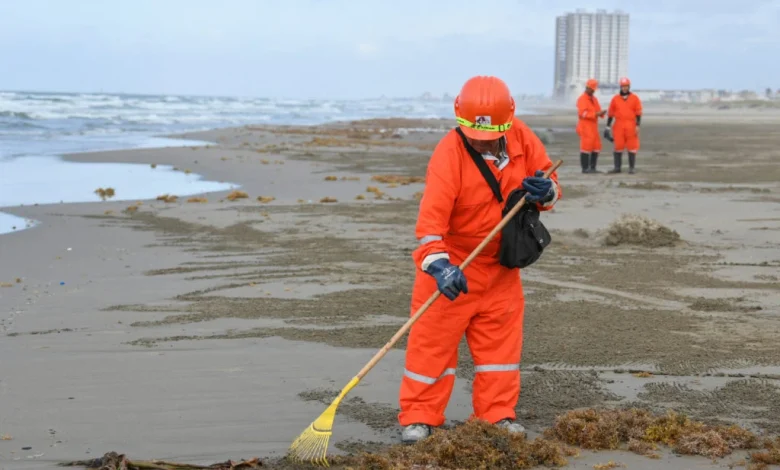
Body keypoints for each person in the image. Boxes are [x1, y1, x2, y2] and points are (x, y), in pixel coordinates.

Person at [397, 75, 562, 444]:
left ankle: (496, 415)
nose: (481, 141)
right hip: (453, 265)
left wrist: (547, 191)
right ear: (460, 119)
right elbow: (429, 228)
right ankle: (420, 417)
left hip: (501, 267)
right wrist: (439, 266)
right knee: (431, 349)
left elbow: (551, 184)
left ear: (508, 121)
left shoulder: (522, 136)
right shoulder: (448, 154)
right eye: (475, 135)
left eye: (490, 136)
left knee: (500, 352)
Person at [604, 77, 643, 174]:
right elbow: (611, 114)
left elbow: (638, 112)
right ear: (620, 87)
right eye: (623, 86)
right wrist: (607, 127)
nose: (624, 88)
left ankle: (632, 168)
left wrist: (637, 125)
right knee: (618, 146)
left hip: (631, 124)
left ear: (629, 87)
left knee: (632, 146)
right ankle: (617, 168)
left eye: (626, 86)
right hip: (619, 125)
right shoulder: (615, 99)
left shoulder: (635, 98)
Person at [576, 78, 607, 173]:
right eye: (592, 89)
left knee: (596, 146)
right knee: (586, 147)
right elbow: (582, 114)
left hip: (593, 126)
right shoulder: (582, 99)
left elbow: (598, 110)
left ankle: (593, 168)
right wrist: (595, 114)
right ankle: (585, 168)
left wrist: (601, 113)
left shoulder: (594, 99)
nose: (593, 91)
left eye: (594, 90)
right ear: (588, 88)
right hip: (585, 126)